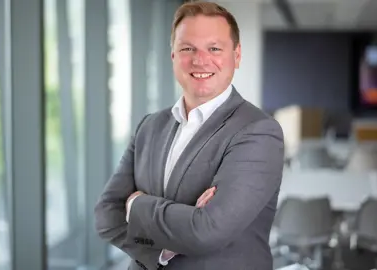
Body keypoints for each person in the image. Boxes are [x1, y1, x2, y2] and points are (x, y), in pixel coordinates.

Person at [94, 1, 284, 270]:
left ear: (237, 55)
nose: (200, 59)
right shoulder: (149, 127)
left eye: (214, 48)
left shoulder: (258, 131)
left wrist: (136, 205)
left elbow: (208, 230)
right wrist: (163, 248)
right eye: (187, 48)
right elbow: (106, 215)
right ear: (173, 55)